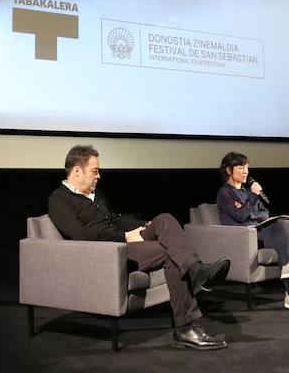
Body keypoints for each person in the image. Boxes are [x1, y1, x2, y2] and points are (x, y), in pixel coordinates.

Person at [48, 144, 232, 350]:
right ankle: (185, 327)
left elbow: (116, 221)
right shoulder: (59, 199)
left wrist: (144, 225)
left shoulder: (97, 194)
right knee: (171, 255)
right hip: (107, 252)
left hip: (123, 241)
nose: (99, 176)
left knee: (164, 219)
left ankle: (195, 270)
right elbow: (80, 235)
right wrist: (124, 236)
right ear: (76, 171)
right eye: (94, 171)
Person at [216, 152, 289, 311]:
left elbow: (264, 212)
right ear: (229, 170)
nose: (246, 172)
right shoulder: (224, 193)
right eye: (241, 167)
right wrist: (253, 198)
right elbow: (241, 216)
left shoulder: (246, 192)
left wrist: (249, 207)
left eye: (247, 167)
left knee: (282, 233)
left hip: (260, 231)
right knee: (283, 235)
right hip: (245, 237)